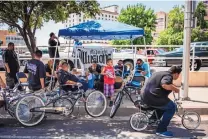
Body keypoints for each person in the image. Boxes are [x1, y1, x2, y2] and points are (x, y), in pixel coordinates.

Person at [140, 65, 182, 137]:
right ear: (176, 74)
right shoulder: (168, 76)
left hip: (146, 95)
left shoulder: (162, 73)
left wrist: (173, 86)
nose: (178, 77)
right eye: (179, 75)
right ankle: (161, 130)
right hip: (151, 97)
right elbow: (165, 84)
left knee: (164, 105)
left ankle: (152, 121)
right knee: (172, 107)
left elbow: (165, 83)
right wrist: (175, 89)